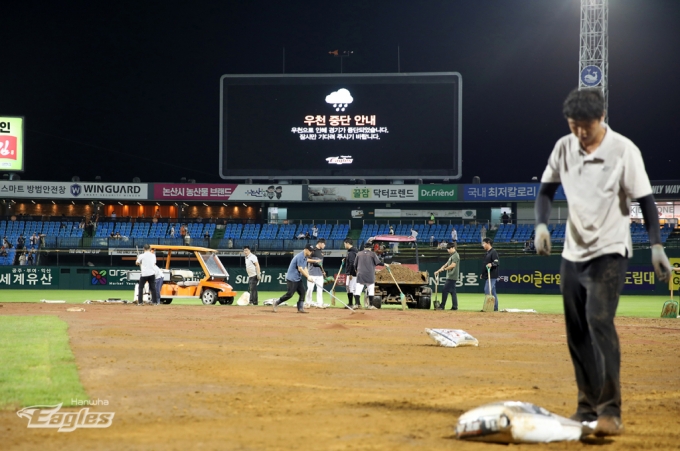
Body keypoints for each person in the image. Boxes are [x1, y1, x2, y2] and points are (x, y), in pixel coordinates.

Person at [533, 88, 672, 437]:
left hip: (610, 250)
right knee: (576, 330)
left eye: (586, 126)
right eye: (573, 125)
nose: (580, 132)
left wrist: (656, 245)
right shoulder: (564, 147)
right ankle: (585, 406)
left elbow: (646, 200)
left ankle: (611, 411)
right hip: (572, 252)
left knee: (599, 321)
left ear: (602, 118)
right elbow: (546, 191)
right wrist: (540, 225)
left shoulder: (624, 150)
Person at [272, 244, 315, 313]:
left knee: (302, 292)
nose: (311, 252)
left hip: (298, 278)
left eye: (312, 251)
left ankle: (300, 308)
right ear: (306, 249)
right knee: (290, 294)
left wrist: (308, 276)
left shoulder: (305, 257)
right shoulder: (300, 256)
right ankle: (276, 302)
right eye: (310, 250)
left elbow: (305, 267)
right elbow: (300, 268)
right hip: (292, 278)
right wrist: (307, 277)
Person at [353, 242, 381, 309]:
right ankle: (370, 305)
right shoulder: (372, 254)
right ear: (370, 248)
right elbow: (378, 262)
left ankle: (357, 304)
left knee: (358, 290)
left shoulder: (358, 254)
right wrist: (385, 264)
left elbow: (354, 265)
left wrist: (356, 271)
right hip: (370, 274)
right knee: (371, 289)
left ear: (364, 247)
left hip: (360, 274)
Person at [434, 242, 460, 310]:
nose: (448, 250)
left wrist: (444, 269)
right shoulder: (452, 255)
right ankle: (455, 306)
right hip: (451, 276)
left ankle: (442, 306)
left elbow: (453, 265)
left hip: (452, 276)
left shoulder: (455, 255)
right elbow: (446, 264)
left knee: (445, 290)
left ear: (453, 248)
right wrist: (438, 271)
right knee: (452, 292)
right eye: (447, 249)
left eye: (449, 249)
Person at [305, 238, 327, 308]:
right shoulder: (312, 251)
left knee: (320, 289)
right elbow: (307, 260)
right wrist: (315, 261)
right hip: (312, 273)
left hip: (320, 274)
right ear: (320, 243)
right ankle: (308, 303)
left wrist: (323, 271)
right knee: (310, 289)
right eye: (324, 244)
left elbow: (321, 264)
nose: (324, 245)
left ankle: (320, 304)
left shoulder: (321, 252)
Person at [481, 238, 499, 311]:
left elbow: (497, 262)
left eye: (484, 243)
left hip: (492, 275)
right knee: (493, 292)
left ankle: (488, 307)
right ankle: (495, 307)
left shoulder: (493, 252)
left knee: (487, 290)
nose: (483, 245)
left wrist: (492, 264)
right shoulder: (487, 253)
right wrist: (482, 274)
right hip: (487, 275)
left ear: (488, 243)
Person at [343, 238, 359, 308]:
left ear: (347, 243)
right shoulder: (355, 251)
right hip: (356, 273)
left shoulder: (351, 252)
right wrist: (346, 258)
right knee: (354, 288)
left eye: (344, 243)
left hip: (352, 273)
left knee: (349, 287)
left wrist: (351, 273)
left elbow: (352, 263)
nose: (344, 245)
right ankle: (357, 304)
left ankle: (350, 304)